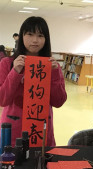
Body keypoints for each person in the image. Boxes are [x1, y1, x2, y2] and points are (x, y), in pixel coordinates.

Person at [0, 16, 67, 147]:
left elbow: (59, 101)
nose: (35, 40)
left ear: (46, 39)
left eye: (40, 35)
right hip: (13, 132)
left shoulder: (53, 66)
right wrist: (15, 72)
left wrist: (52, 73)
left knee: (41, 165)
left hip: (41, 131)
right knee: (13, 165)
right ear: (21, 36)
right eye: (30, 34)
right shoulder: (7, 63)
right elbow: (2, 100)